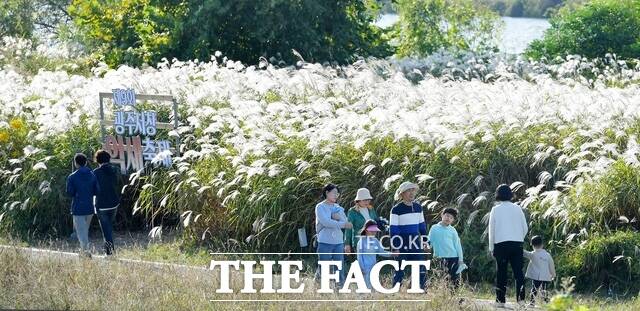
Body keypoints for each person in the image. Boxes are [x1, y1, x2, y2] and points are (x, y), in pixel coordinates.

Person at [488, 184, 528, 306]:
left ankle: (500, 301)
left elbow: (492, 230)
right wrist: (518, 238)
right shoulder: (517, 208)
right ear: (511, 194)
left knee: (501, 273)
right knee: (518, 273)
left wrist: (491, 247)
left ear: (498, 194)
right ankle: (521, 301)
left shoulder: (495, 209)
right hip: (517, 244)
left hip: (501, 244)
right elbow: (525, 228)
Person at [390, 181, 428, 290]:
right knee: (400, 268)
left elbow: (422, 227)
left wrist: (425, 242)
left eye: (413, 190)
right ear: (402, 194)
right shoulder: (396, 209)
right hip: (401, 241)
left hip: (415, 241)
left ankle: (419, 289)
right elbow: (393, 230)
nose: (411, 193)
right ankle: (395, 291)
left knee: (419, 266)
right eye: (408, 191)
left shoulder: (418, 207)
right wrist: (395, 247)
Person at [315, 183, 352, 289]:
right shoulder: (320, 207)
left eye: (337, 194)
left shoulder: (338, 207)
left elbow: (345, 220)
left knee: (339, 266)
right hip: (324, 241)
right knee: (324, 266)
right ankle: (321, 286)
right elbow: (326, 222)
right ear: (327, 193)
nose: (336, 195)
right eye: (334, 193)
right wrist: (341, 223)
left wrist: (337, 218)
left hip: (338, 241)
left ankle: (340, 287)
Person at [66, 153, 99, 257]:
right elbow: (97, 191)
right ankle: (83, 252)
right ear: (85, 162)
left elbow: (69, 193)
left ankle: (86, 253)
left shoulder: (72, 176)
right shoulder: (92, 174)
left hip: (78, 208)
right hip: (90, 207)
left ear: (76, 163)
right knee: (84, 232)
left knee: (81, 233)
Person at [428, 207, 465, 289]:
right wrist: (427, 245)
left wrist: (460, 259)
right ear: (442, 215)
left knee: (454, 279)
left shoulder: (452, 230)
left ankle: (453, 297)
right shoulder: (434, 228)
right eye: (447, 216)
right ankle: (442, 296)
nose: (448, 218)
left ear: (453, 220)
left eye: (451, 217)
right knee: (442, 277)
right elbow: (430, 240)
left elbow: (457, 245)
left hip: (453, 257)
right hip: (439, 257)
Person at [93, 150, 121, 256]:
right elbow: (117, 184)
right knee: (108, 227)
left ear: (97, 160)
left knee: (106, 230)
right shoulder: (114, 170)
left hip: (102, 205)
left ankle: (109, 253)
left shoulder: (95, 173)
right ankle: (108, 250)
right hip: (114, 204)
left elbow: (93, 189)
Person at [357, 219, 396, 290]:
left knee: (373, 288)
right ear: (366, 230)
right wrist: (361, 268)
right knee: (365, 288)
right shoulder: (361, 241)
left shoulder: (375, 241)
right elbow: (359, 256)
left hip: (374, 268)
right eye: (371, 230)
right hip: (365, 269)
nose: (373, 232)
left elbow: (381, 252)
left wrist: (391, 254)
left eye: (374, 231)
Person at [344, 188, 378, 254]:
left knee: (372, 262)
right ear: (358, 200)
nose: (367, 202)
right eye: (364, 200)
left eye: (368, 200)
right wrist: (347, 244)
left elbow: (375, 222)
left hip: (371, 241)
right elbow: (348, 228)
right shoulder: (352, 211)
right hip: (359, 242)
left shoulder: (371, 209)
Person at [524, 235, 556, 305]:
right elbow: (551, 265)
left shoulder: (533, 254)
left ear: (532, 246)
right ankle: (546, 302)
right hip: (545, 277)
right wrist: (553, 274)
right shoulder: (547, 255)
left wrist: (518, 248)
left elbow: (525, 253)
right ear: (542, 244)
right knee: (544, 290)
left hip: (536, 277)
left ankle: (532, 303)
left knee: (534, 289)